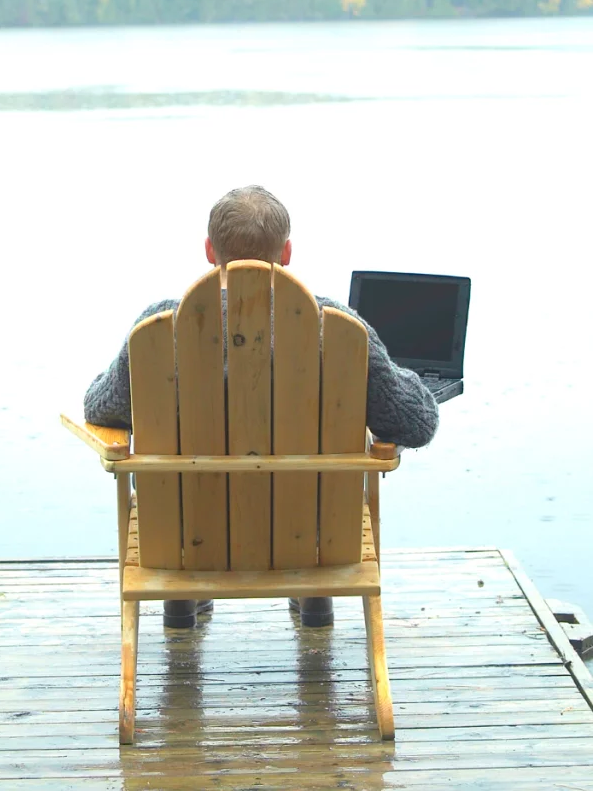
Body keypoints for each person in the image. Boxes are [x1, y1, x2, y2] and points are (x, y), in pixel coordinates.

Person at [84, 185, 439, 628]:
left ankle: (180, 607)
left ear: (210, 250)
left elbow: (101, 408)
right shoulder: (337, 329)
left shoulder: (161, 328)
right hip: (312, 538)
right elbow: (417, 422)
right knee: (316, 494)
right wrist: (398, 375)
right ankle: (315, 604)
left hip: (183, 535)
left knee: (170, 485)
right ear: (287, 252)